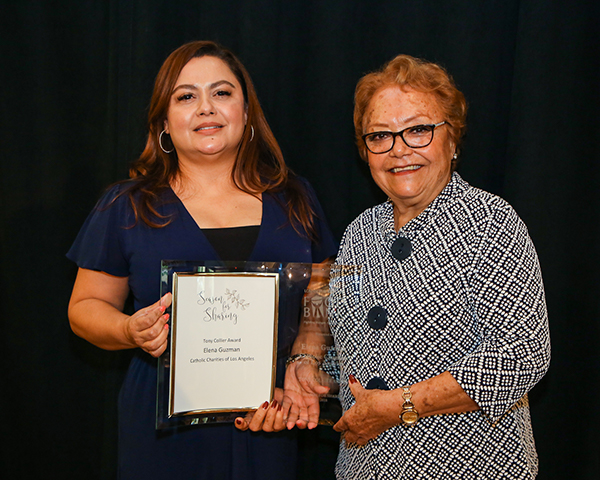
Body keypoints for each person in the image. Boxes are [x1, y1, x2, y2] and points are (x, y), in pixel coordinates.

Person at [67, 40, 337, 480]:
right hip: (164, 434)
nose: (206, 108)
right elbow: (83, 310)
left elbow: (320, 287)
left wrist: (304, 359)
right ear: (164, 122)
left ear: (246, 113)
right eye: (186, 96)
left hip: (272, 416)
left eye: (222, 93)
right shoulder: (127, 206)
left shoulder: (295, 197)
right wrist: (128, 329)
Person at [287, 54, 550, 479]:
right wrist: (309, 373)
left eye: (418, 130)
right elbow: (357, 355)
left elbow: (522, 357)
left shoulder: (490, 222)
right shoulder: (358, 232)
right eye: (381, 136)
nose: (399, 149)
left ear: (452, 138)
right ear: (365, 150)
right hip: (364, 468)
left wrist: (398, 406)